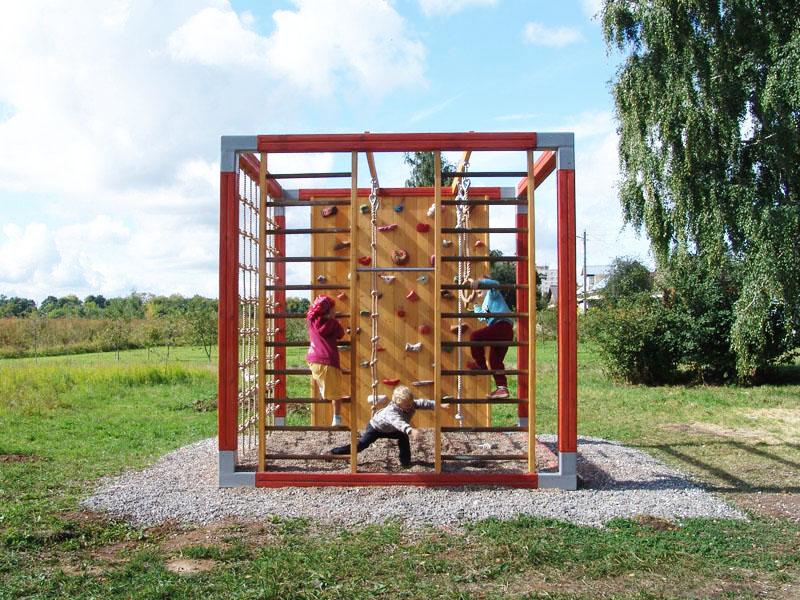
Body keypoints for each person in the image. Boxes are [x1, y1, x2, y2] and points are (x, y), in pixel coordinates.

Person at [330, 385, 440, 467]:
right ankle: (334, 452)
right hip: (376, 428)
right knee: (361, 445)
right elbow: (398, 422)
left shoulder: (409, 404)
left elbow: (423, 403)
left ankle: (405, 462)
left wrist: (438, 405)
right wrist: (411, 430)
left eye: (411, 403)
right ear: (398, 403)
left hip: (391, 430)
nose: (410, 406)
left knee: (403, 437)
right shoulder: (391, 412)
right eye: (407, 405)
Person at [464, 276, 515, 399]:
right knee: (494, 360)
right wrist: (475, 304)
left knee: (475, 336)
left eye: (480, 289)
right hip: (502, 332)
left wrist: (480, 282)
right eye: (477, 292)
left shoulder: (493, 294)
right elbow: (482, 317)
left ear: (487, 286)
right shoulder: (485, 304)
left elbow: (495, 283)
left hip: (502, 325)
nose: (478, 292)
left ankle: (480, 365)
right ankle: (502, 388)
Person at [306, 295, 345, 426]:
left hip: (313, 359)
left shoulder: (311, 320)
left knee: (322, 378)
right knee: (336, 393)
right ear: (330, 311)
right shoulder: (333, 324)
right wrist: (336, 321)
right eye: (334, 309)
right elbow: (341, 334)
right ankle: (337, 418)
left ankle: (323, 388)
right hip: (328, 361)